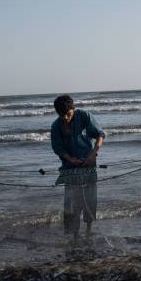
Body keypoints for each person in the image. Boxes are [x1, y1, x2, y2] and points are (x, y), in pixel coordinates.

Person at [51, 95, 105, 238]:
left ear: (73, 109)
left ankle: (88, 229)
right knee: (71, 203)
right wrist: (70, 159)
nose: (66, 118)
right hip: (70, 168)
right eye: (62, 116)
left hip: (89, 165)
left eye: (68, 114)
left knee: (90, 199)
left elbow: (100, 135)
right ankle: (74, 234)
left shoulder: (84, 116)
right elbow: (58, 148)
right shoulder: (56, 126)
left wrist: (94, 153)